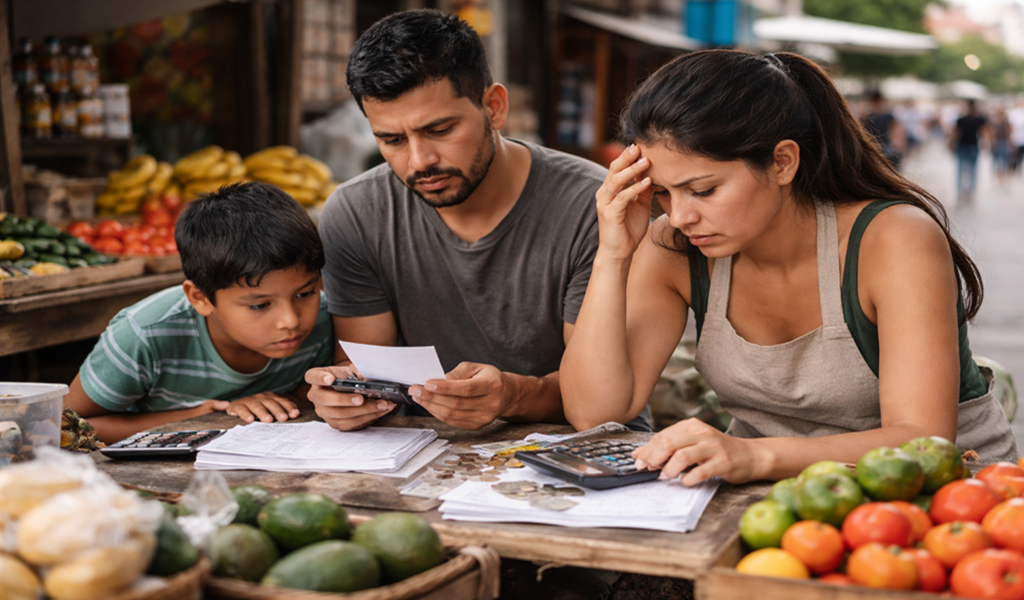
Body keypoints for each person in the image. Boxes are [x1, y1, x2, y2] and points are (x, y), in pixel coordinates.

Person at [561, 50, 1018, 487]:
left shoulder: (892, 239)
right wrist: (613, 253)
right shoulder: (675, 247)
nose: (679, 216)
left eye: (702, 190)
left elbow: (922, 443)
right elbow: (595, 412)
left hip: (947, 499)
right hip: (774, 499)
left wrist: (753, 455)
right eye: (661, 192)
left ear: (783, 162)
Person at [305, 10, 645, 432]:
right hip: (425, 455)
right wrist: (348, 395)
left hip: (580, 452)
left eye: (440, 130)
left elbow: (601, 402)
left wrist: (513, 394)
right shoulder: (354, 214)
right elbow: (368, 366)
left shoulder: (593, 207)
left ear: (494, 107)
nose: (419, 161)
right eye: (391, 140)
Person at [65, 182, 336, 443]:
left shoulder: (325, 318)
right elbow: (65, 425)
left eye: (304, 293)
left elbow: (307, 395)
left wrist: (289, 402)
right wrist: (199, 418)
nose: (291, 321)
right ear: (200, 298)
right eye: (259, 305)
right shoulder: (143, 335)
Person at [951, 99, 988, 205]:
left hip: (966, 146)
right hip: (970, 146)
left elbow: (956, 133)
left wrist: (952, 143)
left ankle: (962, 193)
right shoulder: (977, 119)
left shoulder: (963, 119)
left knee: (961, 171)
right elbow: (983, 132)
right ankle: (968, 194)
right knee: (971, 171)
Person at [861, 90, 906, 170]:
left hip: (881, 144)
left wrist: (898, 144)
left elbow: (896, 130)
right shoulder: (867, 116)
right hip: (876, 145)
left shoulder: (886, 115)